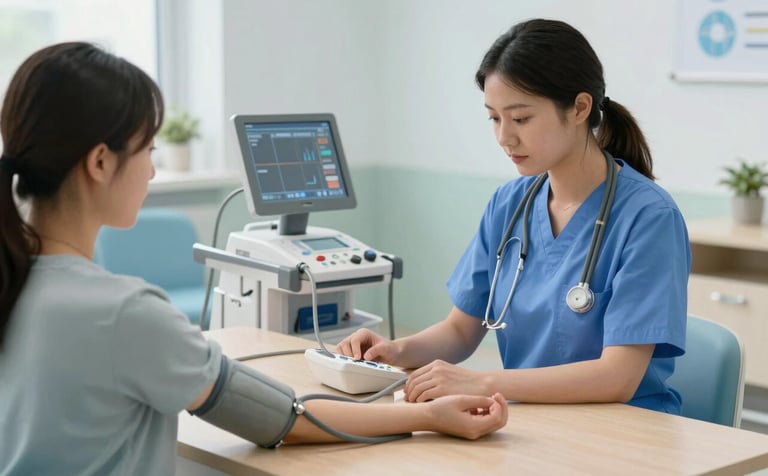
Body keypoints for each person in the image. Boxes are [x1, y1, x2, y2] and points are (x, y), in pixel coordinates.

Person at [0, 42, 508, 475]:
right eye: (149, 149)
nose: (152, 171)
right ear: (100, 161)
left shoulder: (16, 282)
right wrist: (429, 416)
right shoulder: (123, 313)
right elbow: (286, 418)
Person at [338, 19, 690, 414]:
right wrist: (394, 350)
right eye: (494, 117)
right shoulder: (509, 204)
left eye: (520, 118)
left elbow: (618, 377)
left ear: (579, 107)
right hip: (534, 421)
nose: (505, 137)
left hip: (629, 431)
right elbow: (460, 330)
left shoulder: (649, 218)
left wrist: (482, 381)